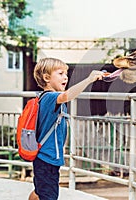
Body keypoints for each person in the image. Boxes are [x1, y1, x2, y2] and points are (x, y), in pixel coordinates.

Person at [28, 57, 104, 200]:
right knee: (48, 195)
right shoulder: (51, 97)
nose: (65, 77)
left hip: (45, 158)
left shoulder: (45, 98)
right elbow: (67, 96)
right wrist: (89, 80)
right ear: (46, 78)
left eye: (66, 74)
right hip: (47, 159)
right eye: (60, 73)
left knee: (40, 191)